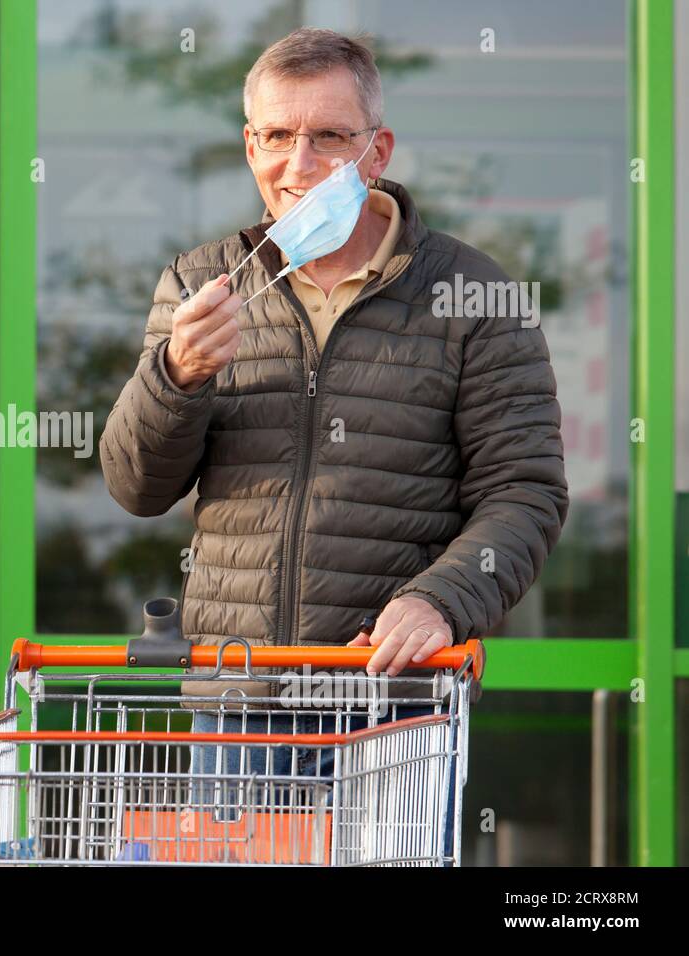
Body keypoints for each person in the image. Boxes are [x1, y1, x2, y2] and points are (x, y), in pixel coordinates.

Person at [99, 27, 567, 865]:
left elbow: (525, 492)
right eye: (276, 136)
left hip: (392, 707)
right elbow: (136, 486)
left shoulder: (477, 296)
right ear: (250, 148)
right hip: (236, 704)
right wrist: (178, 375)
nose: (299, 162)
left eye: (330, 137)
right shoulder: (201, 282)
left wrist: (441, 601)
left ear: (376, 151)